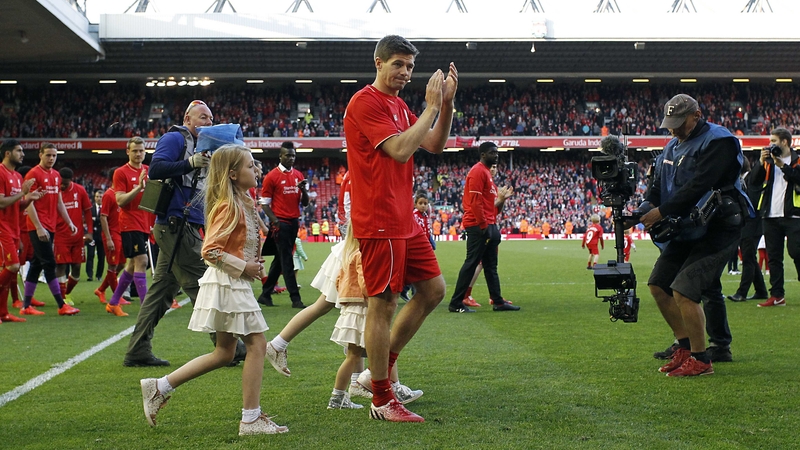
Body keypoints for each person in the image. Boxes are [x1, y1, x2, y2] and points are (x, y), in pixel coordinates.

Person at [344, 34, 457, 422]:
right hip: (380, 220)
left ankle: (379, 374)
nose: (406, 73)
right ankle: (380, 397)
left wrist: (446, 105)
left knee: (433, 290)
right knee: (384, 304)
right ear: (379, 63)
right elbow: (400, 149)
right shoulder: (365, 102)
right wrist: (428, 107)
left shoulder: (398, 104)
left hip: (404, 219)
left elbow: (435, 145)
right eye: (398, 65)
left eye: (410, 66)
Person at [139, 144, 287, 436]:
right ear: (232, 174)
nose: (255, 169)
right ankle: (250, 419)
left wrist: (251, 263)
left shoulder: (241, 199)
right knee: (257, 345)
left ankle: (159, 387)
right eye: (248, 165)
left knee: (224, 353)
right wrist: (244, 267)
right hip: (229, 283)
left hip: (231, 282)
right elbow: (211, 250)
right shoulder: (228, 204)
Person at [125, 100, 246, 367]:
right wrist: (190, 162)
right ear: (187, 119)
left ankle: (137, 349)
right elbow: (156, 168)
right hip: (176, 223)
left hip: (180, 225)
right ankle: (230, 348)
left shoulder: (206, 146)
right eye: (203, 118)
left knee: (160, 293)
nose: (208, 123)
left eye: (211, 119)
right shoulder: (174, 138)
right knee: (204, 285)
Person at [640, 93, 750, 377]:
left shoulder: (720, 141)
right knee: (658, 285)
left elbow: (701, 184)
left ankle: (701, 360)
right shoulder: (671, 147)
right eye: (670, 123)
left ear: (697, 115)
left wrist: (661, 211)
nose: (673, 129)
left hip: (719, 226)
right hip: (688, 227)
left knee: (684, 289)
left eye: (679, 122)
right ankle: (685, 348)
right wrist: (646, 206)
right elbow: (656, 184)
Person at [447, 143, 518, 313]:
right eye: (492, 153)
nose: (496, 155)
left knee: (490, 266)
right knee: (471, 263)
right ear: (483, 154)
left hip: (489, 224)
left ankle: (498, 301)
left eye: (497, 153)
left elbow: (492, 207)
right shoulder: (478, 171)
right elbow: (475, 202)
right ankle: (456, 303)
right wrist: (484, 225)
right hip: (479, 225)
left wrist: (502, 199)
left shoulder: (487, 175)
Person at [20, 143, 80, 316]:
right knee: (49, 263)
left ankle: (26, 306)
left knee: (37, 264)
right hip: (38, 225)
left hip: (50, 225)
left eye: (54, 155)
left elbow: (59, 201)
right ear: (40, 155)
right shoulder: (33, 174)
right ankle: (61, 305)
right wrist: (38, 227)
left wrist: (69, 222)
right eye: (48, 155)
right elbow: (28, 201)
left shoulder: (55, 175)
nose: (51, 158)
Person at [749, 127, 800, 307]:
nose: (771, 145)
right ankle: (777, 295)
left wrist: (782, 166)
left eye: (774, 141)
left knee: (797, 251)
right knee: (774, 256)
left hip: (793, 215)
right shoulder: (768, 161)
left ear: (784, 142)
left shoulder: (797, 160)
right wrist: (760, 163)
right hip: (770, 214)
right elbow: (753, 182)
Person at [256, 142, 309, 309]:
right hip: (281, 224)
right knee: (287, 261)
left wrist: (304, 190)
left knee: (280, 260)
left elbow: (305, 203)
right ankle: (295, 298)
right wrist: (276, 221)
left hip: (294, 222)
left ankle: (265, 294)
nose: (291, 158)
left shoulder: (299, 175)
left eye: (293, 155)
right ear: (280, 156)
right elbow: (264, 204)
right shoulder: (272, 176)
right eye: (287, 155)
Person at [108, 137, 154, 315]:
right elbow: (120, 200)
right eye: (134, 150)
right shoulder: (121, 172)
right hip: (129, 222)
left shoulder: (148, 170)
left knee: (132, 264)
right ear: (128, 151)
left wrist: (152, 222)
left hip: (144, 223)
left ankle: (113, 302)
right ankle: (145, 307)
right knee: (142, 261)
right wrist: (138, 187)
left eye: (141, 151)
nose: (138, 154)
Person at [0, 139, 43, 324]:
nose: (23, 154)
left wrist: (29, 198)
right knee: (13, 266)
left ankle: (3, 313)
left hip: (14, 227)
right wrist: (22, 193)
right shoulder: (0, 173)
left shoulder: (17, 177)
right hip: (2, 228)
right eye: (19, 151)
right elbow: (1, 202)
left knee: (9, 267)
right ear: (7, 153)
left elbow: (17, 206)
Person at [727, 157, 769, 302]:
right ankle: (761, 290)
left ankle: (742, 292)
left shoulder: (751, 179)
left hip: (752, 224)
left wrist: (762, 160)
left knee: (748, 257)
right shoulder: (742, 181)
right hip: (748, 224)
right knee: (749, 256)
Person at [54, 168, 93, 306]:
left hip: (77, 237)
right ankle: (63, 298)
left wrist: (89, 232)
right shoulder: (55, 192)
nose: (62, 186)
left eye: (65, 184)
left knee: (76, 267)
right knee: (61, 266)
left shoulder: (80, 190)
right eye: (61, 183)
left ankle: (67, 293)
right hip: (60, 235)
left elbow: (87, 211)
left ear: (71, 180)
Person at [96, 178, 128, 315]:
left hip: (122, 232)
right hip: (112, 233)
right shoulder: (109, 195)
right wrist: (108, 238)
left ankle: (101, 289)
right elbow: (103, 217)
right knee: (113, 266)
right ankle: (117, 297)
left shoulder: (123, 193)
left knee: (122, 263)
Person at [85, 189, 105, 282]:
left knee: (101, 256)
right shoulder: (90, 209)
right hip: (92, 236)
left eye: (101, 197)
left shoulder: (105, 209)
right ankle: (89, 275)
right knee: (90, 255)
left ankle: (99, 275)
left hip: (101, 236)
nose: (99, 198)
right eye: (97, 196)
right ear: (94, 197)